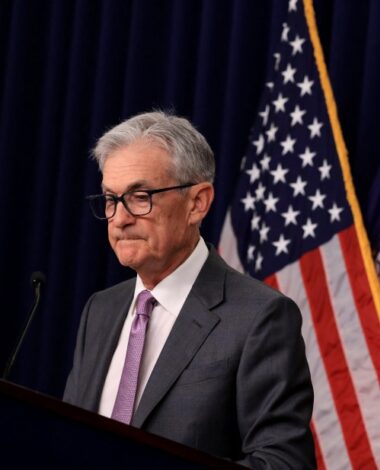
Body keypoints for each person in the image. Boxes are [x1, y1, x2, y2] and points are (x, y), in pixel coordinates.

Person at [63, 111, 315, 469]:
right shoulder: (100, 310)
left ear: (197, 203)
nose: (119, 218)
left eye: (140, 196)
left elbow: (283, 462)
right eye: (110, 199)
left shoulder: (259, 317)